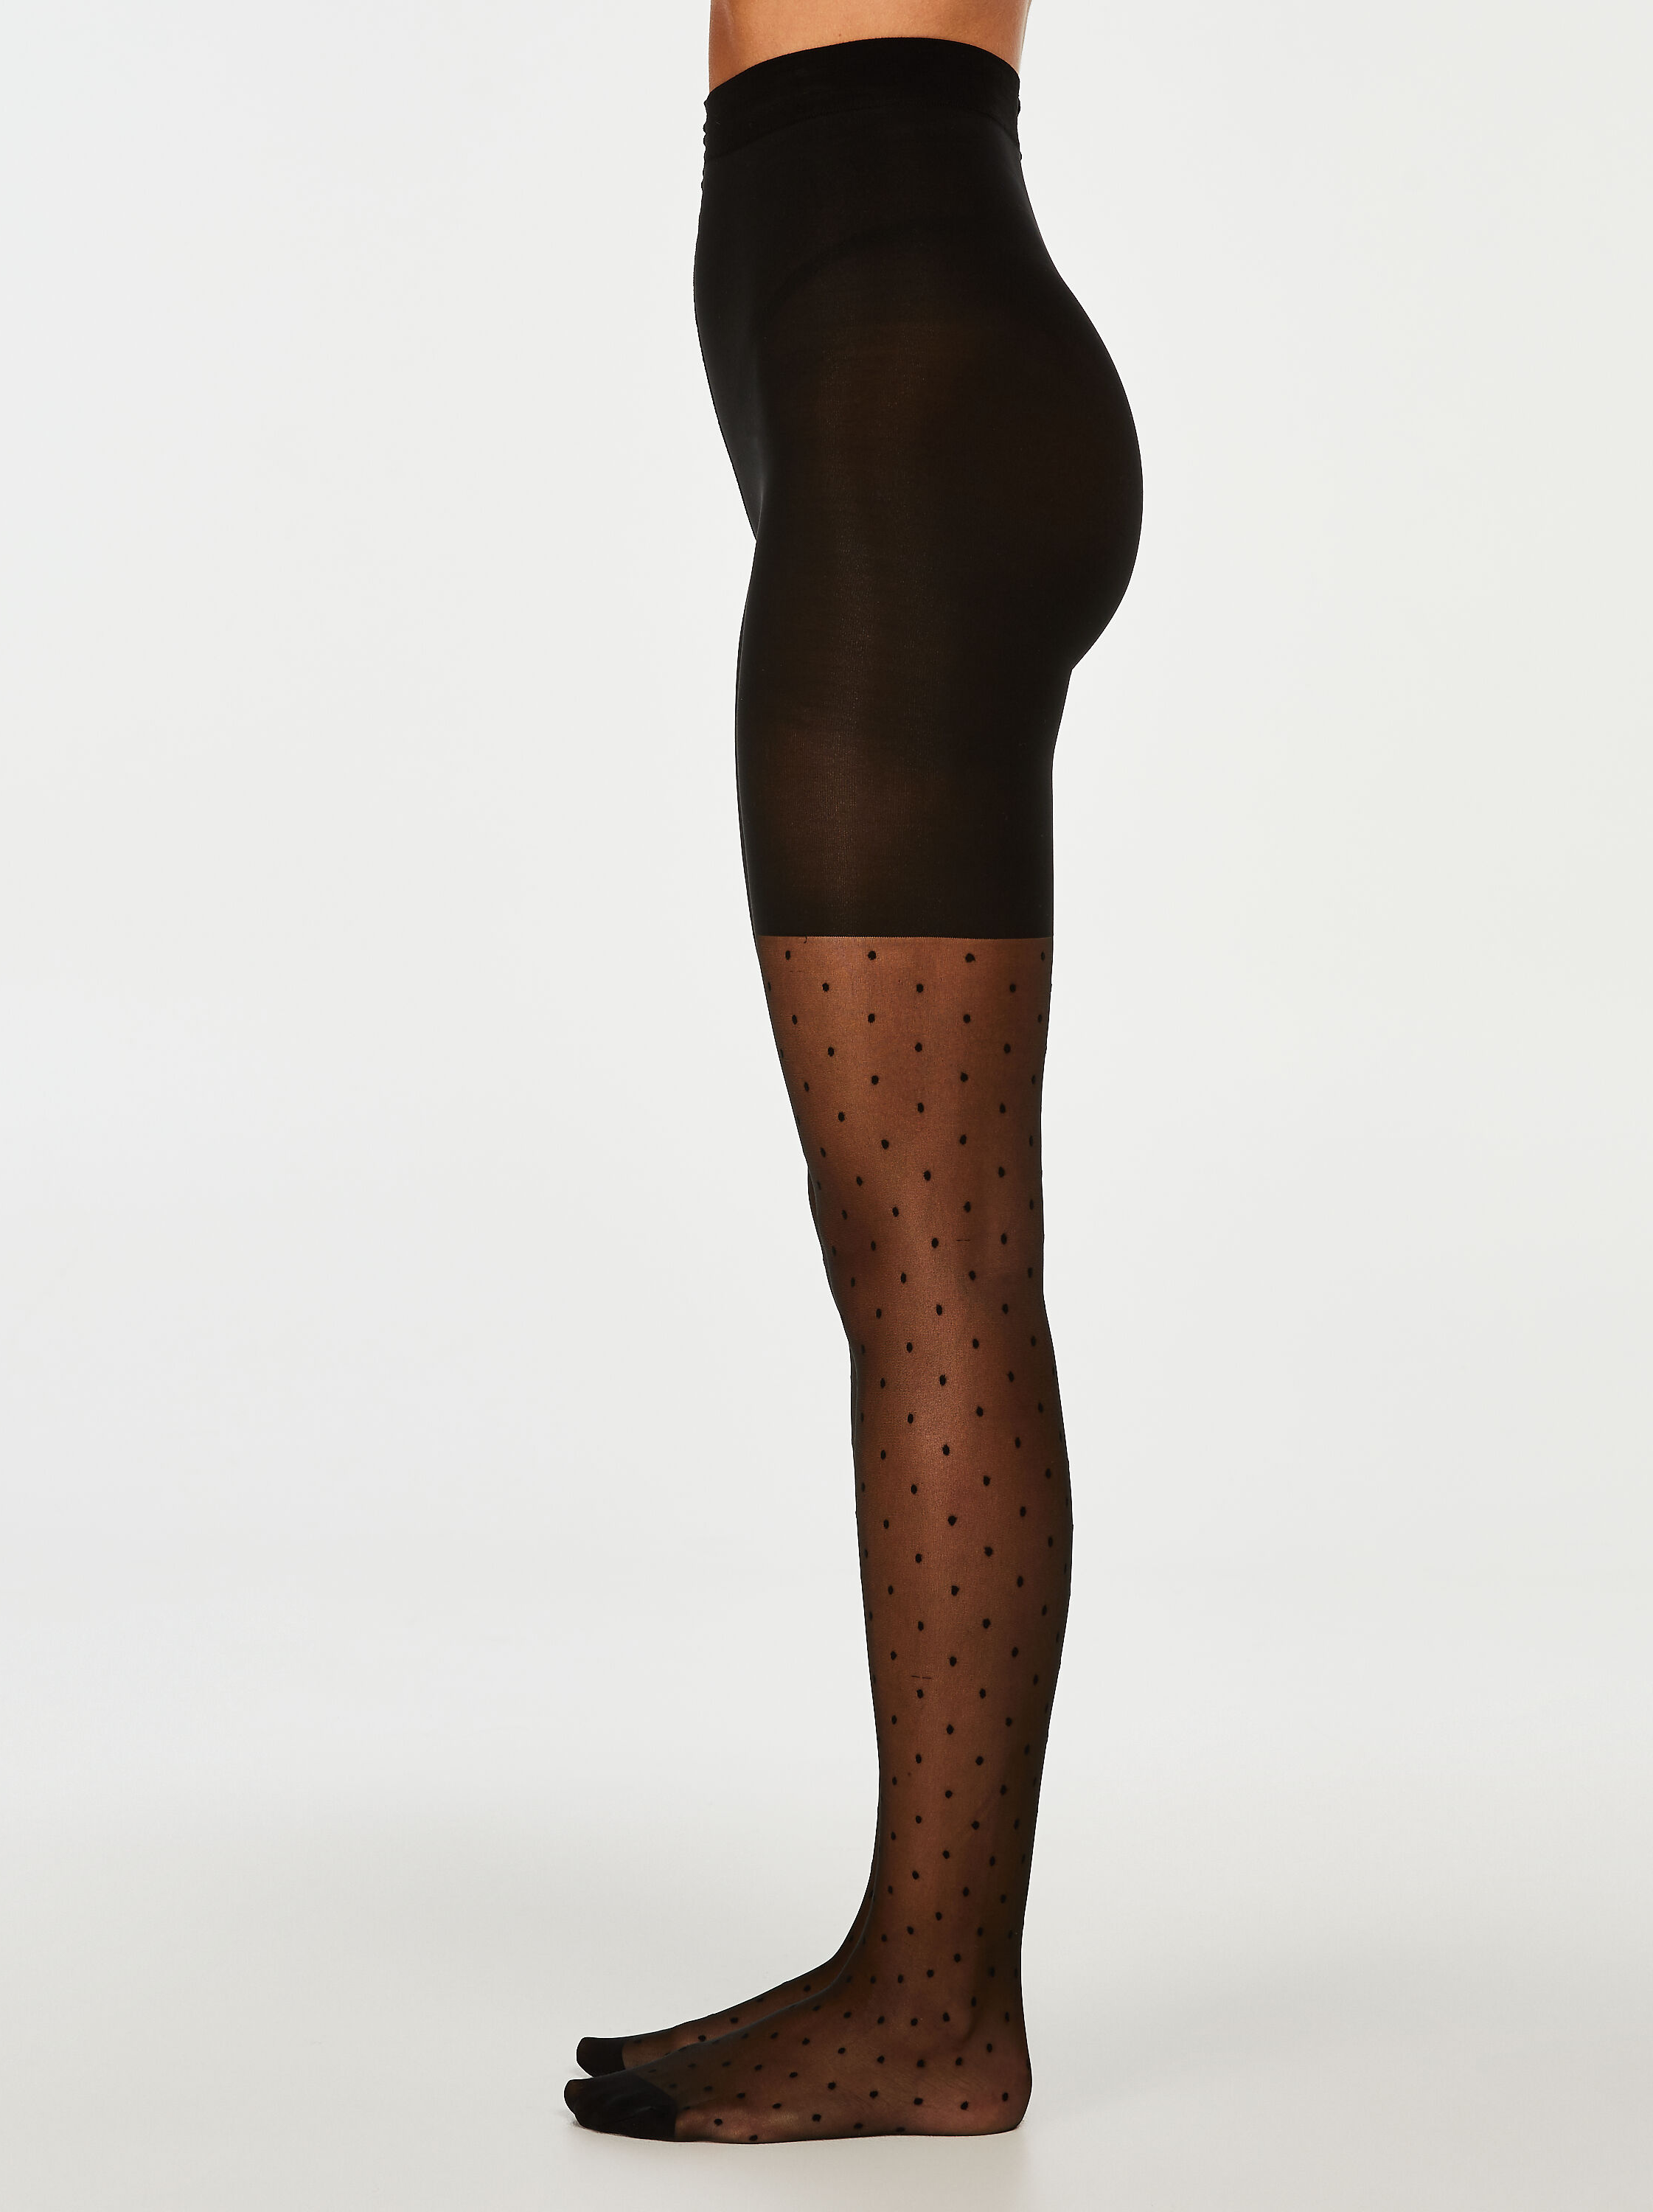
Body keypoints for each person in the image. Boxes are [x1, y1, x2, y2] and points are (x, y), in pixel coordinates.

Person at [566, 0, 1140, 2142]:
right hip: (916, 377)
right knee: (929, 1239)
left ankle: (936, 2004)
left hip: (906, 419)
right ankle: (913, 1963)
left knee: (927, 1249)